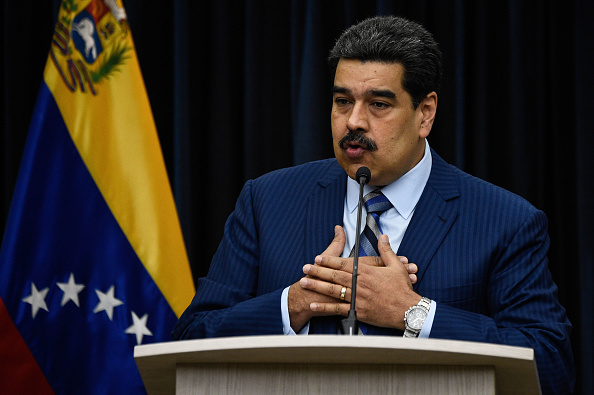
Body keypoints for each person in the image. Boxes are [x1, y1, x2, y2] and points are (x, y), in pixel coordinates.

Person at [172, 15, 574, 394]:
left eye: (378, 104)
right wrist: (294, 305)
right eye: (342, 101)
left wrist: (413, 312)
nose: (354, 122)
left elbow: (551, 367)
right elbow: (191, 338)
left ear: (425, 114)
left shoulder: (505, 220)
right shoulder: (267, 200)